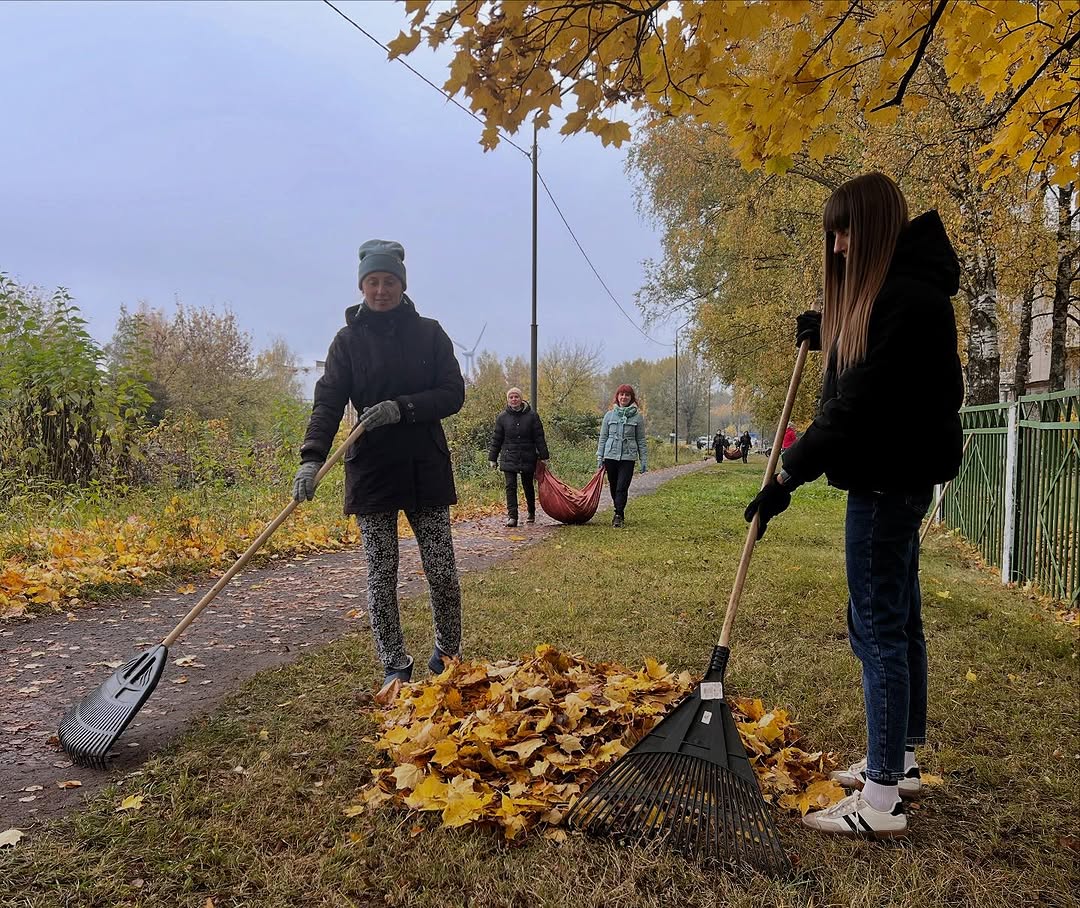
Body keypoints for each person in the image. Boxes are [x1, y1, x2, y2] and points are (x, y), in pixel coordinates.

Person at [743, 173, 963, 839]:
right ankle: (903, 761)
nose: (837, 246)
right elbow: (867, 376)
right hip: (898, 478)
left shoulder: (904, 300)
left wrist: (787, 476)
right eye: (832, 234)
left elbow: (856, 406)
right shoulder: (907, 289)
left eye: (846, 232)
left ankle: (881, 799)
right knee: (901, 618)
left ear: (874, 229)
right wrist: (829, 333)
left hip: (885, 480)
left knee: (877, 630)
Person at [293, 239, 466, 702]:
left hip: (426, 468)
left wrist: (402, 408)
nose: (381, 289)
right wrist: (311, 459)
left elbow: (453, 393)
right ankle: (395, 663)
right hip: (371, 472)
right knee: (380, 575)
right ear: (362, 286)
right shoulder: (347, 342)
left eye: (389, 281)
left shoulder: (430, 333)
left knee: (442, 570)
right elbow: (327, 403)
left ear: (402, 285)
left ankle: (448, 653)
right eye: (373, 281)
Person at [488, 387, 549, 527]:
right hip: (509, 456)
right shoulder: (502, 417)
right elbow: (496, 439)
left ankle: (531, 512)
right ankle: (512, 516)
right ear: (507, 400)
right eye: (511, 397)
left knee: (528, 485)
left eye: (516, 397)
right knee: (510, 486)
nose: (514, 399)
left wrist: (544, 456)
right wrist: (492, 458)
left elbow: (539, 437)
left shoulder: (532, 416)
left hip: (528, 456)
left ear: (521, 399)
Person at [596, 384, 647, 527]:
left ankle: (618, 514)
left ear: (631, 398)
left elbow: (641, 440)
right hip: (610, 456)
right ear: (617, 397)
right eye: (621, 394)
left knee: (622, 486)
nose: (624, 397)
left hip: (628, 457)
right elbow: (603, 437)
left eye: (627, 395)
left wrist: (643, 459)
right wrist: (600, 456)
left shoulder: (637, 417)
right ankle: (619, 510)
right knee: (613, 486)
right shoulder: (609, 415)